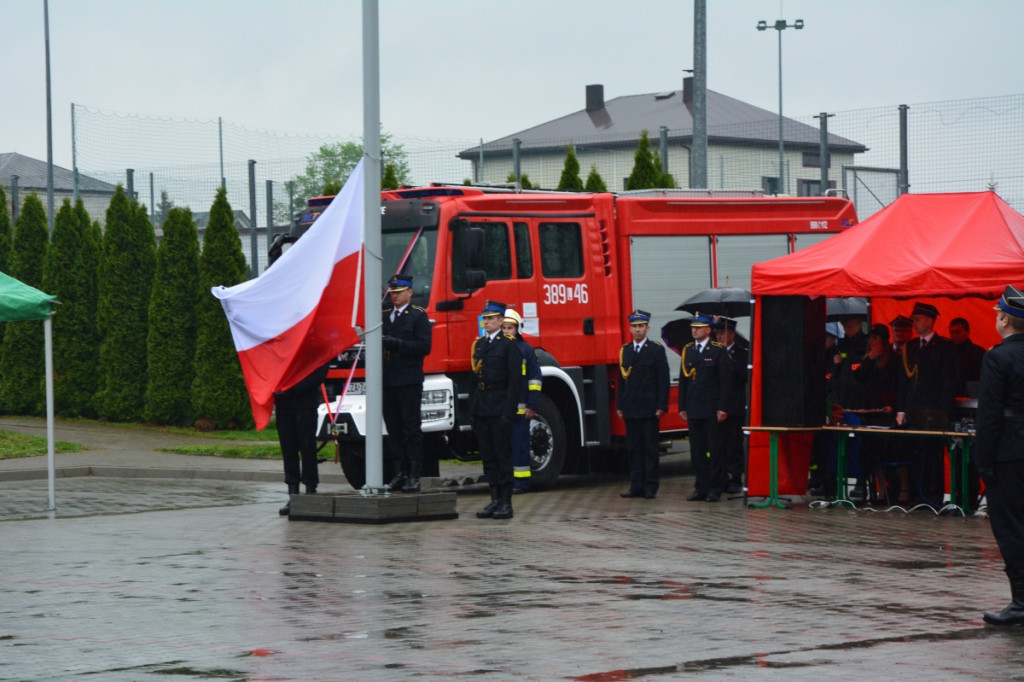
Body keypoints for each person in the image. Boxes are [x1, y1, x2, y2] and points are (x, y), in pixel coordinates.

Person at [977, 285, 1024, 626]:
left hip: (1008, 453)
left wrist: (983, 460)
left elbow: (990, 414)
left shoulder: (997, 356)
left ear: (1006, 319)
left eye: (997, 314)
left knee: (1010, 528)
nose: (996, 317)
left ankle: (1021, 603)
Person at [896, 302, 959, 506]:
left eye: (918, 319)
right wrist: (901, 409)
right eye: (914, 319)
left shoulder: (945, 346)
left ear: (930, 320)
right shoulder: (911, 347)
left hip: (934, 410)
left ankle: (934, 497)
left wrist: (944, 410)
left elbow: (948, 381)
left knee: (933, 456)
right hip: (914, 409)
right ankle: (916, 496)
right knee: (914, 453)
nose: (915, 323)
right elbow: (904, 382)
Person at [471, 300, 523, 519]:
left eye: (491, 318)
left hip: (500, 405)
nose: (487, 321)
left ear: (501, 320)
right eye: (485, 318)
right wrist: (473, 410)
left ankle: (506, 502)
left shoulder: (509, 344)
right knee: (488, 456)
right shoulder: (480, 344)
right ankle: (494, 499)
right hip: (483, 406)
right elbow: (474, 378)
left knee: (502, 455)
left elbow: (515, 381)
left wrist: (508, 412)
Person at [381, 274, 433, 493]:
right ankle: (399, 473)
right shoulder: (384, 316)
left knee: (411, 428)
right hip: (388, 380)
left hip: (409, 380)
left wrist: (398, 344)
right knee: (393, 429)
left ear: (410, 293)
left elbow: (424, 347)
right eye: (393, 293)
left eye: (400, 292)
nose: (395, 296)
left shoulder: (418, 316)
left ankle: (414, 475)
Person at [616, 310, 670, 499]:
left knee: (650, 450)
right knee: (634, 450)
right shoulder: (626, 350)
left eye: (641, 326)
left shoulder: (655, 349)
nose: (637, 330)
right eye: (634, 326)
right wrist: (619, 405)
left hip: (649, 409)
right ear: (630, 329)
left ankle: (650, 487)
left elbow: (663, 380)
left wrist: (662, 405)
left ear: (647, 328)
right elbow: (622, 380)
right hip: (631, 408)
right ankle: (636, 486)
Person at [678, 314, 732, 502]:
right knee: (697, 451)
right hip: (694, 408)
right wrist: (682, 406)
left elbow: (726, 382)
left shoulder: (717, 350)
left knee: (714, 449)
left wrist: (723, 407)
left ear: (709, 330)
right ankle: (700, 487)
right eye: (693, 327)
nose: (695, 330)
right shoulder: (688, 350)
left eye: (699, 327)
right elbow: (684, 380)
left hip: (712, 408)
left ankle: (715, 488)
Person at [275, 361, 331, 516]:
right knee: (288, 450)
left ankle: (310, 492)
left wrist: (292, 388)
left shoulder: (314, 345)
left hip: (305, 403)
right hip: (284, 404)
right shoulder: (285, 343)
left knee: (308, 449)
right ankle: (293, 495)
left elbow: (319, 374)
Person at [854, 323, 901, 503]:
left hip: (885, 413)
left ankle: (892, 491)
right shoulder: (867, 358)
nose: (872, 341)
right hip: (869, 412)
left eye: (876, 338)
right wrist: (869, 359)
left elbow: (897, 385)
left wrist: (893, 406)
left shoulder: (893, 359)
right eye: (870, 338)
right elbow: (858, 378)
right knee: (868, 455)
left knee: (884, 454)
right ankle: (872, 492)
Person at [501, 309, 542, 494]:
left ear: (518, 329)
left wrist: (532, 405)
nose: (507, 331)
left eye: (510, 328)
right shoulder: (497, 349)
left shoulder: (526, 350)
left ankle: (522, 483)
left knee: (520, 447)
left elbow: (534, 380)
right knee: (505, 448)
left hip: (521, 411)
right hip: (503, 411)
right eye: (504, 328)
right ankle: (508, 482)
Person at [830, 315, 869, 498]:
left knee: (862, 443)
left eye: (851, 324)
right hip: (843, 401)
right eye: (845, 324)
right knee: (840, 443)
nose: (848, 327)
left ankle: (862, 481)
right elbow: (835, 375)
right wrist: (837, 365)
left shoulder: (866, 343)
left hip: (861, 402)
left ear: (860, 324)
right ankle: (836, 481)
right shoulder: (841, 344)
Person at [715, 317, 748, 494]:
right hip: (717, 404)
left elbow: (746, 375)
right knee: (719, 445)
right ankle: (721, 478)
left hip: (734, 406)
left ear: (732, 334)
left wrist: (731, 363)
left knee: (734, 445)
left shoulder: (742, 353)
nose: (720, 337)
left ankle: (735, 478)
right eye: (718, 334)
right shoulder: (713, 352)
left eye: (723, 333)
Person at [949, 316, 987, 396]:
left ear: (967, 332)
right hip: (950, 396)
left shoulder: (978, 353)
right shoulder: (946, 351)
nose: (954, 335)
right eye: (952, 332)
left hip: (971, 396)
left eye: (958, 332)